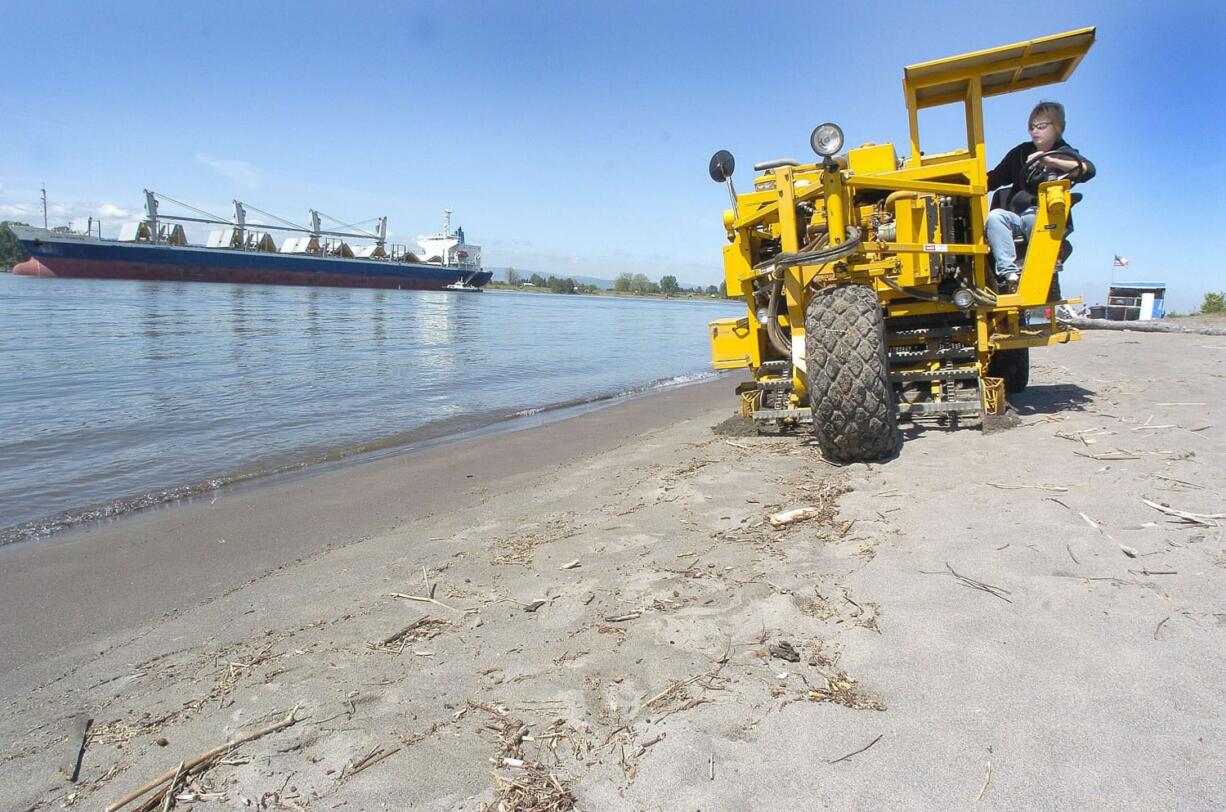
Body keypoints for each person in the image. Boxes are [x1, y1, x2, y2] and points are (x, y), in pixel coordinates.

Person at [985, 101, 1095, 287]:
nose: (1035, 131)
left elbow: (1086, 169)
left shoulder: (1063, 152)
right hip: (1016, 219)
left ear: (1058, 127)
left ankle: (1044, 262)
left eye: (1041, 126)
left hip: (1045, 218)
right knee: (995, 217)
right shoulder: (1020, 153)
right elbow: (994, 178)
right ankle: (1009, 274)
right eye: (1031, 127)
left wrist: (1048, 161)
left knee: (1031, 218)